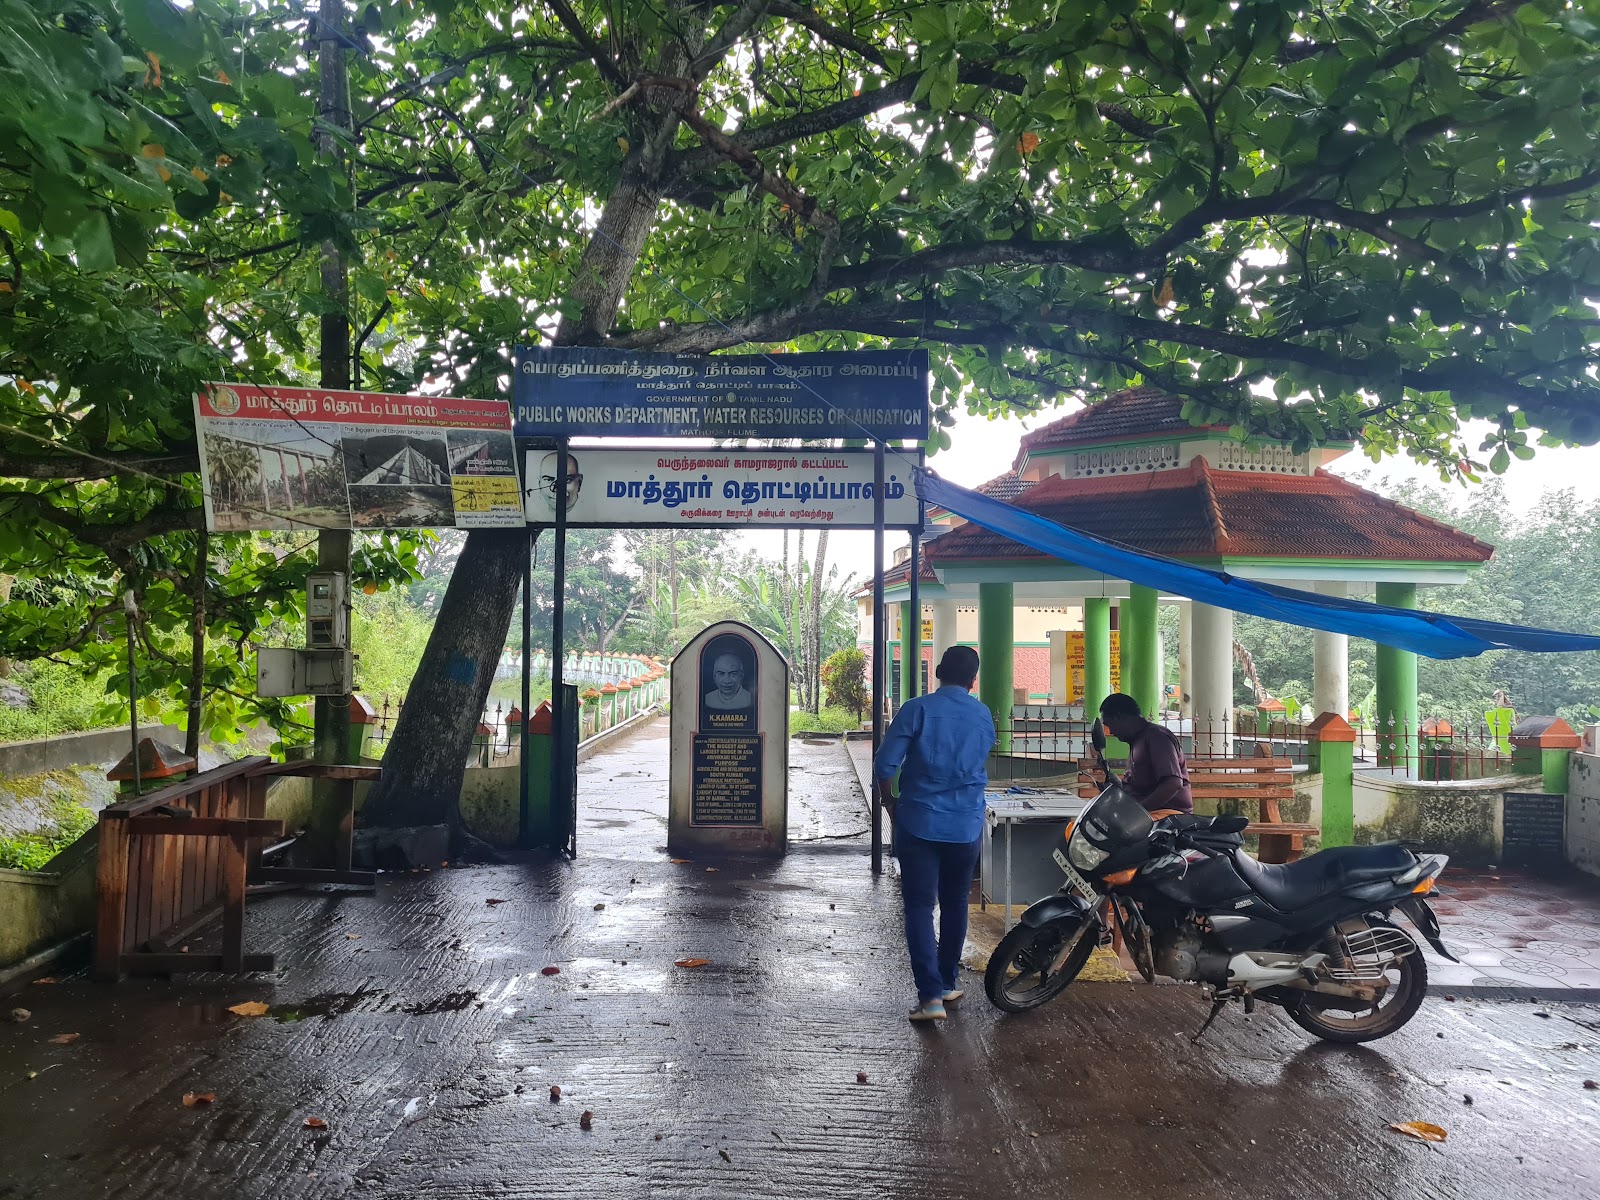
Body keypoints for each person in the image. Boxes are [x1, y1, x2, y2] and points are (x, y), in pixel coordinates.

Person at [874, 645, 997, 1022]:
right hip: (965, 826)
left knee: (919, 906)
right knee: (957, 902)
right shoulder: (982, 715)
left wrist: (889, 802)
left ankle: (930, 998)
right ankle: (946, 982)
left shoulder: (917, 709)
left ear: (938, 670)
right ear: (973, 680)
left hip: (920, 822)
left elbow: (883, 764)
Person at [1096, 692, 1193, 814]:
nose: (1111, 731)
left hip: (1167, 817)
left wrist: (1138, 812)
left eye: (1109, 725)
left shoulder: (1157, 737)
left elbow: (1172, 784)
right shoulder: (1138, 740)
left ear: (1119, 717)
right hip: (1150, 815)